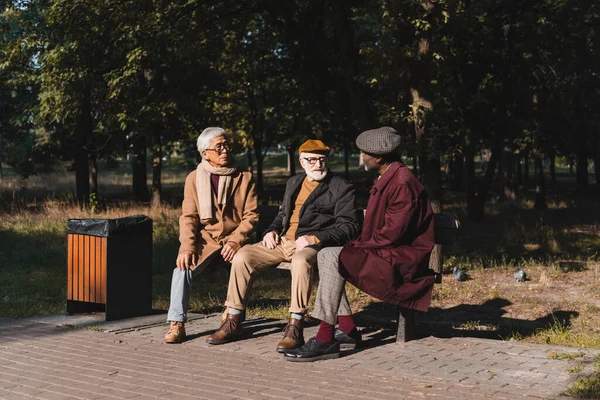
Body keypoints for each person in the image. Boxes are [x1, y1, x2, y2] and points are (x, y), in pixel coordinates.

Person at [284, 126, 436, 361]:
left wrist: (355, 246)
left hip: (401, 259)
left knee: (334, 256)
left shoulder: (403, 183)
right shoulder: (389, 176)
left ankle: (325, 338)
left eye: (364, 153)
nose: (361, 157)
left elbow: (390, 236)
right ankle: (345, 327)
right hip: (386, 250)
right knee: (328, 255)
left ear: (379, 157)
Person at [206, 139, 360, 352]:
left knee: (299, 261)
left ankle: (295, 324)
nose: (318, 164)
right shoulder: (294, 182)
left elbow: (349, 226)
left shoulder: (340, 187)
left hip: (314, 246)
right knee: (243, 255)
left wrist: (315, 238)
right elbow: (282, 216)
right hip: (282, 242)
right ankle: (233, 319)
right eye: (312, 160)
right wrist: (271, 230)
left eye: (322, 160)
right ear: (301, 161)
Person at [163, 127, 258, 344]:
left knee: (245, 261)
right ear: (205, 153)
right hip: (206, 241)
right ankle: (177, 323)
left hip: (235, 240)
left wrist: (236, 240)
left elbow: (251, 217)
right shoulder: (194, 178)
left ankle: (231, 317)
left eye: (227, 145)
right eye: (219, 147)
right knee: (182, 268)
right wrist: (186, 247)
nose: (225, 150)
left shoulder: (244, 178)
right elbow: (188, 217)